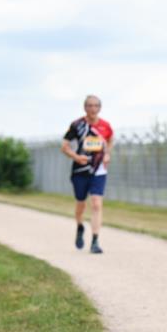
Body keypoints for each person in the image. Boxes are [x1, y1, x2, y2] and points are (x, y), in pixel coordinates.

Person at [61, 95, 114, 254]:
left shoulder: (105, 126)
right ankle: (79, 227)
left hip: (98, 170)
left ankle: (95, 241)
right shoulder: (77, 125)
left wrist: (107, 154)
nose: (92, 109)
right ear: (85, 108)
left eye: (96, 106)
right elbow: (64, 146)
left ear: (100, 108)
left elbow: (110, 139)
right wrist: (76, 157)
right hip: (80, 170)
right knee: (80, 205)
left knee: (97, 203)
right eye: (89, 106)